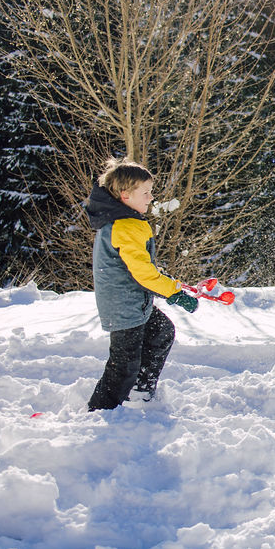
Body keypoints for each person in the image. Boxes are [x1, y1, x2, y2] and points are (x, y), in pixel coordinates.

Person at [85, 157, 200, 411]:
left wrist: (169, 283)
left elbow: (139, 267)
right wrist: (174, 293)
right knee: (123, 366)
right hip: (124, 307)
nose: (150, 198)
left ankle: (139, 392)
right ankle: (99, 412)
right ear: (125, 195)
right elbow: (143, 274)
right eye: (145, 193)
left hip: (134, 303)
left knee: (161, 333)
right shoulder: (125, 227)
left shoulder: (125, 223)